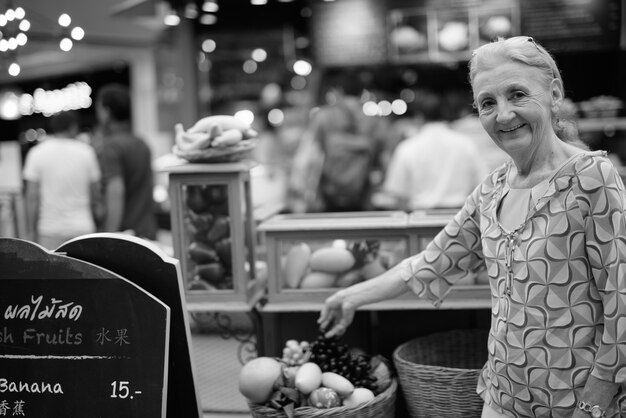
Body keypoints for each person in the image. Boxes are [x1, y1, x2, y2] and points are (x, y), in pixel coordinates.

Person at [319, 36, 626, 418]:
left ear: (554, 93)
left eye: (517, 95)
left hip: (574, 404)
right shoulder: (492, 189)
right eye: (487, 103)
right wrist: (352, 296)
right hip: (501, 398)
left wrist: (594, 402)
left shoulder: (592, 177)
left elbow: (621, 303)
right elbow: (431, 263)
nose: (503, 115)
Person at [374, 88, 488, 211]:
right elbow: (483, 185)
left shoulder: (408, 147)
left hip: (420, 220)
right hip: (460, 218)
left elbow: (396, 192)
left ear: (418, 117)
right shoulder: (466, 144)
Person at [23, 110, 102, 249]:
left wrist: (30, 232)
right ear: (73, 127)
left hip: (49, 229)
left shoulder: (36, 153)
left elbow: (32, 197)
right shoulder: (87, 152)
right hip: (82, 228)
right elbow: (96, 194)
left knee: (53, 271)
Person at [94, 83, 157, 240]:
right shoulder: (142, 144)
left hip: (127, 238)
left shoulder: (110, 147)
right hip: (148, 232)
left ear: (107, 112)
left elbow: (115, 192)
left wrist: (109, 237)